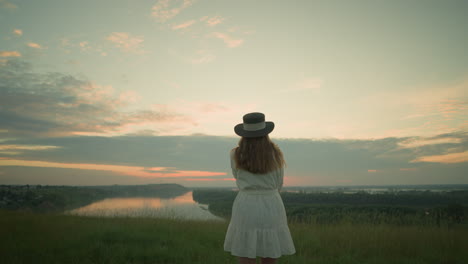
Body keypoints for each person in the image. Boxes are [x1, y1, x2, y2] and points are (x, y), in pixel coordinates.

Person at [224, 112, 296, 264]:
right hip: (271, 203)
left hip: (246, 204)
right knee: (269, 252)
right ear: (265, 133)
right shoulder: (276, 153)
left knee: (245, 252)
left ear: (244, 134)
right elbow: (279, 183)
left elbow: (237, 177)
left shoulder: (235, 154)